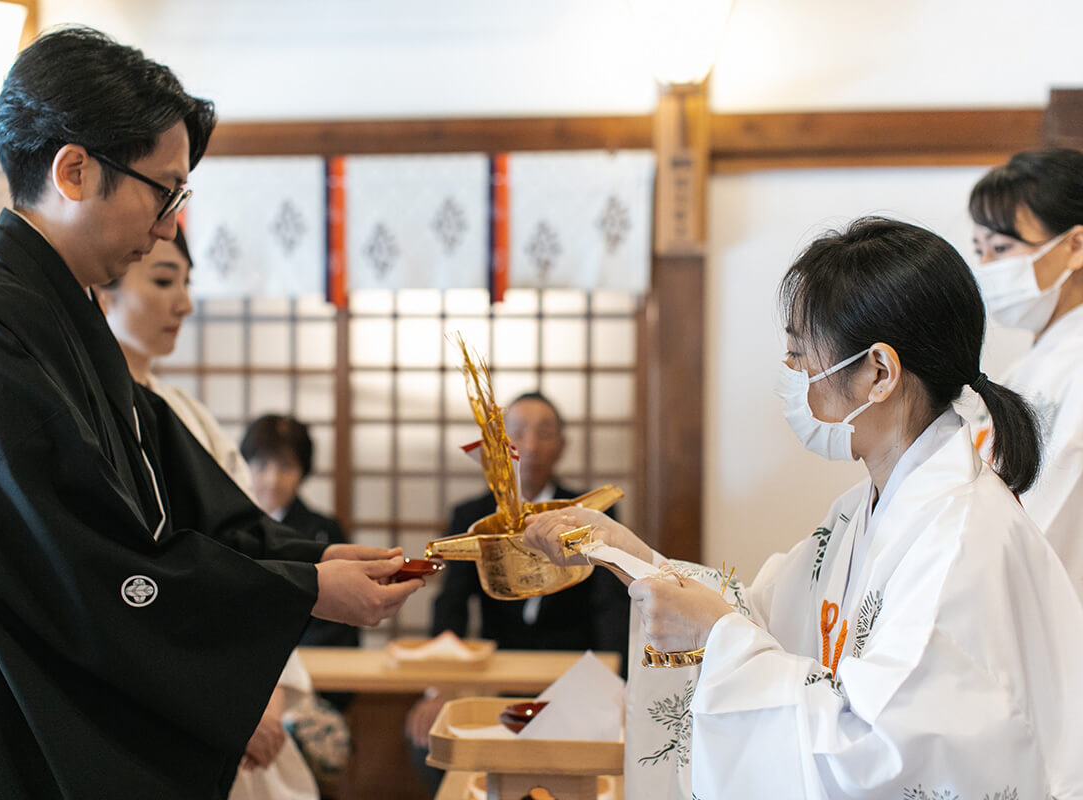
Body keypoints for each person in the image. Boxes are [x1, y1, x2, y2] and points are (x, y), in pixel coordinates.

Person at [0, 27, 420, 799]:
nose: (170, 223)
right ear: (74, 170)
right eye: (163, 190)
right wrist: (301, 590)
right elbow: (78, 564)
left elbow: (170, 496)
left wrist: (305, 564)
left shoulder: (61, 320)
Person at [524, 218, 1083, 798]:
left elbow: (878, 753)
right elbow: (760, 614)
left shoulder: (960, 539)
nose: (794, 378)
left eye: (801, 356)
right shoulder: (860, 511)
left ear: (879, 373)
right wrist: (623, 552)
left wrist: (717, 636)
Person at [97, 228, 323, 800]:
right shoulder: (90, 418)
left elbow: (251, 554)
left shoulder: (189, 415)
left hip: (241, 684)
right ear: (105, 293)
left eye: (188, 282)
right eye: (164, 280)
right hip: (166, 705)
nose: (185, 302)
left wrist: (264, 696)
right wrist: (225, 709)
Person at [405, 392, 630, 789]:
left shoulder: (593, 513)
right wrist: (439, 687)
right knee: (431, 740)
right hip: (496, 675)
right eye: (518, 432)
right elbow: (451, 604)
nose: (529, 445)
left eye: (544, 433)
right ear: (499, 445)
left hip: (576, 673)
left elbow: (611, 607)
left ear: (562, 445)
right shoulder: (471, 515)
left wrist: (622, 685)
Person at [969, 148, 1083, 600]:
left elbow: (1045, 520)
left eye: (1003, 248)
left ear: (1074, 245)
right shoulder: (1025, 368)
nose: (988, 269)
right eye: (980, 251)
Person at [241, 413, 360, 655]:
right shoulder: (229, 528)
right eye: (262, 465)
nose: (273, 480)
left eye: (286, 466)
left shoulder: (325, 532)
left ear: (302, 471)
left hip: (311, 667)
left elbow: (341, 616)